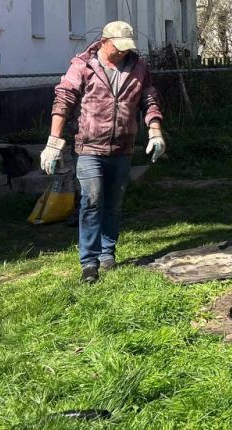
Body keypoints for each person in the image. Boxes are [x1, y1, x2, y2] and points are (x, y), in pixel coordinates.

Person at [40, 21, 166, 284]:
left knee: (114, 203)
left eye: (126, 48)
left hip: (123, 148)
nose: (122, 53)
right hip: (89, 147)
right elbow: (64, 99)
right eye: (118, 48)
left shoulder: (138, 67)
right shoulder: (84, 66)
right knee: (92, 200)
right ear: (105, 41)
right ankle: (89, 261)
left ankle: (108, 252)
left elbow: (149, 99)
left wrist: (155, 131)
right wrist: (54, 141)